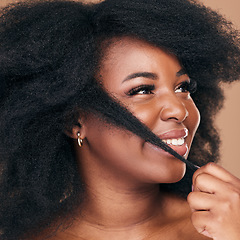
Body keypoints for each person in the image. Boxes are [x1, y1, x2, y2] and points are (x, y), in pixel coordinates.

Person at [0, 0, 240, 239]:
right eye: (143, 90)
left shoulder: (223, 227)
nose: (179, 110)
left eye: (182, 87)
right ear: (74, 122)